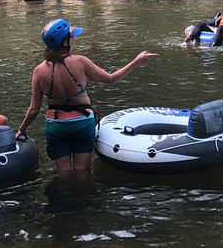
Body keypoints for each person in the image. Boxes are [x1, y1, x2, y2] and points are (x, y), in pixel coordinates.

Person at [15, 18, 157, 175]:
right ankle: (83, 198)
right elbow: (111, 79)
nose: (74, 39)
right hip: (82, 123)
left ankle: (63, 198)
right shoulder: (80, 61)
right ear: (64, 42)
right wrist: (136, 61)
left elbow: (34, 108)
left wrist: (22, 129)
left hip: (57, 126)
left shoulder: (38, 71)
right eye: (72, 37)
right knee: (82, 171)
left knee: (63, 173)